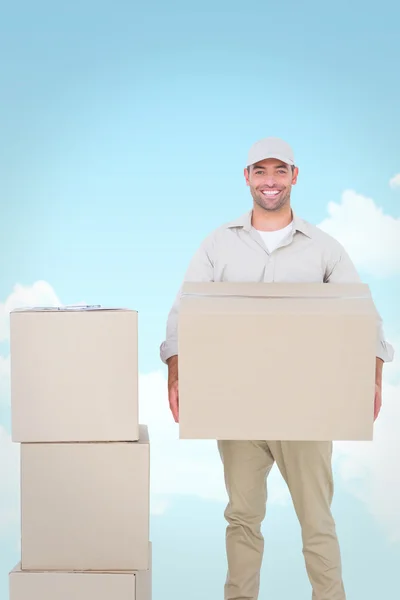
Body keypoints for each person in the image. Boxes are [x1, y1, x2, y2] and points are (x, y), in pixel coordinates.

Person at [159, 137, 394, 600]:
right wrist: (176, 371)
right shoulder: (217, 244)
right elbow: (183, 312)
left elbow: (363, 316)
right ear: (247, 178)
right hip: (237, 407)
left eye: (279, 171)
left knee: (317, 520)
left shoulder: (323, 248)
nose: (271, 181)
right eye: (261, 172)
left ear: (294, 176)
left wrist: (373, 376)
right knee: (242, 519)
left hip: (307, 409)